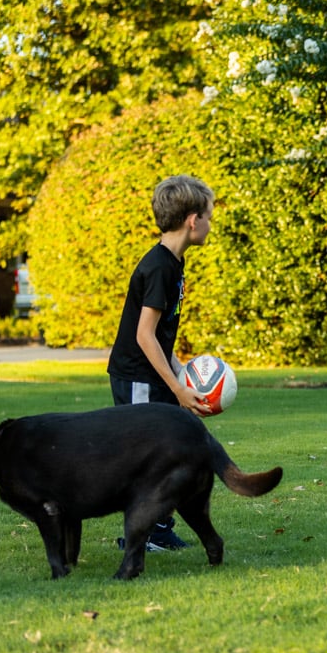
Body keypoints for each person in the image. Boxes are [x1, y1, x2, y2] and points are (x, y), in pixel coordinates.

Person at [107, 174, 216, 550]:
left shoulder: (173, 262)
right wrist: (177, 390)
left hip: (154, 373)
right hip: (138, 377)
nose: (210, 224)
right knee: (144, 455)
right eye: (208, 216)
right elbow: (144, 335)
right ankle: (142, 535)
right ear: (192, 220)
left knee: (168, 449)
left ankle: (158, 528)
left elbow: (162, 335)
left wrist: (183, 374)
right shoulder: (158, 267)